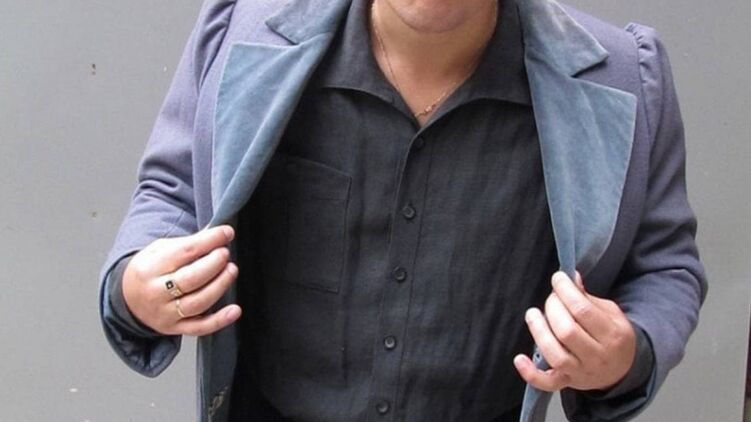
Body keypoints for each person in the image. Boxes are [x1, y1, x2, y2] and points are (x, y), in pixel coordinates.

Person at [98, 0, 707, 420]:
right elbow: (174, 192)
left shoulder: (621, 78)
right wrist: (136, 289)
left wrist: (626, 351)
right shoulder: (243, 34)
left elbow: (665, 268)